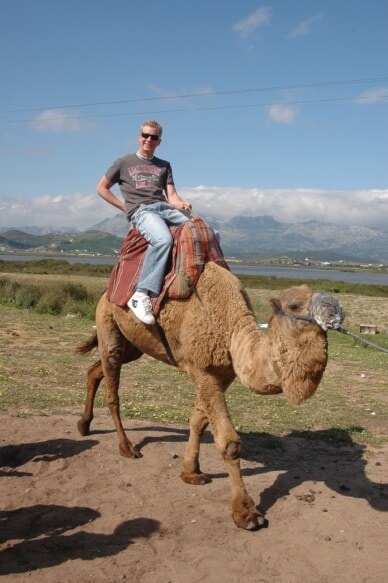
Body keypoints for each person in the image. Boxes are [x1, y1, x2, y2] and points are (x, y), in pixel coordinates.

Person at [97, 120, 192, 325]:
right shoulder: (123, 162)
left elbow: (172, 195)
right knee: (163, 240)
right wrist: (125, 207)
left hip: (164, 207)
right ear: (139, 136)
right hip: (141, 210)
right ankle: (141, 294)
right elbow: (102, 188)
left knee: (202, 231)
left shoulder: (164, 165)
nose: (149, 139)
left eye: (154, 137)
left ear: (159, 141)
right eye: (146, 135)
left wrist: (182, 204)